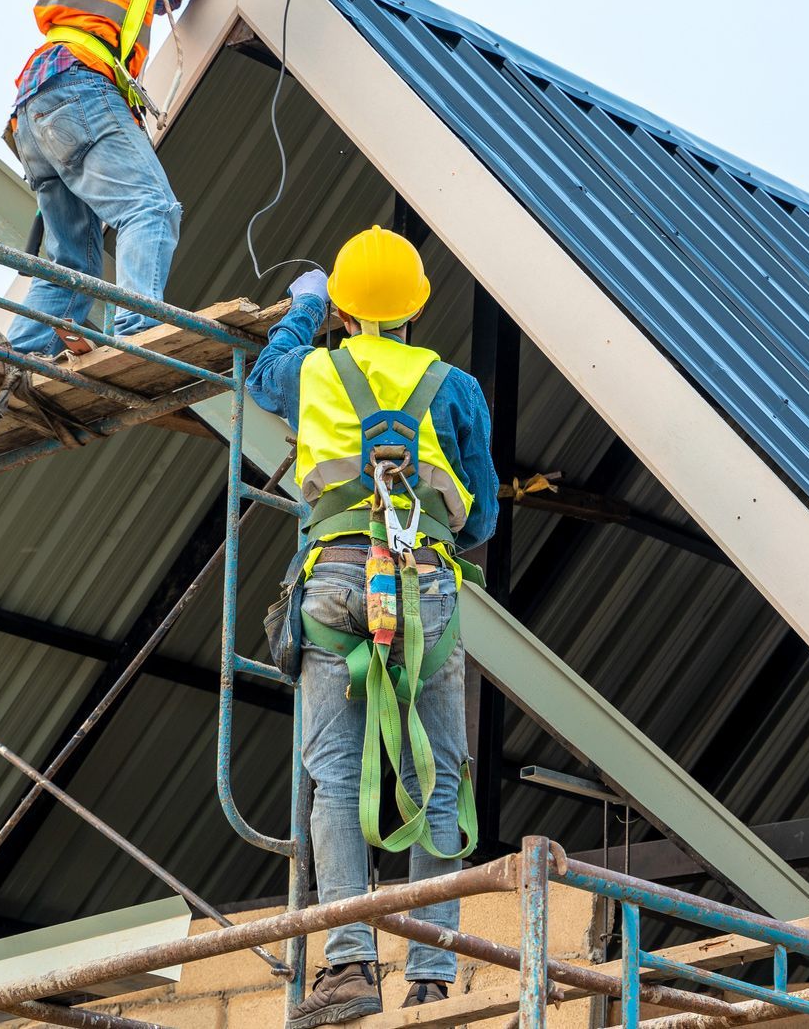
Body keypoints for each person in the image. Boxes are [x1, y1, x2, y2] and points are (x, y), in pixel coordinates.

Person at [249, 226, 500, 1027]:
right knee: (436, 775)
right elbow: (484, 514)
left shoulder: (312, 369)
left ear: (346, 309)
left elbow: (263, 376)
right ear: (415, 309)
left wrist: (302, 309)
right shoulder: (453, 386)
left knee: (334, 775)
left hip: (333, 579)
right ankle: (430, 975)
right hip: (422, 580)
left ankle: (349, 968)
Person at [6, 0, 331, 357]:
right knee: (149, 209)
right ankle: (135, 331)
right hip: (79, 88)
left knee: (73, 260)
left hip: (41, 104)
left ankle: (17, 354)